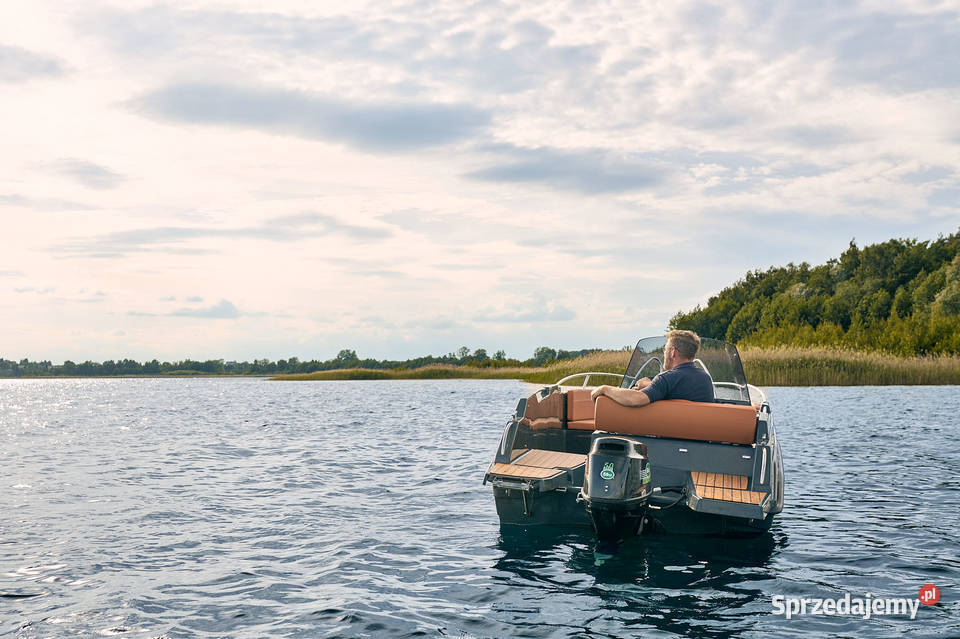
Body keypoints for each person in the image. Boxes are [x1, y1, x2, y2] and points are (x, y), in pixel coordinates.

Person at [591, 330, 714, 407]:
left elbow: (636, 399)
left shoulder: (668, 378)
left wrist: (604, 389)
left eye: (665, 349)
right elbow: (679, 393)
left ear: (672, 352)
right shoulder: (705, 378)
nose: (664, 353)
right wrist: (652, 385)